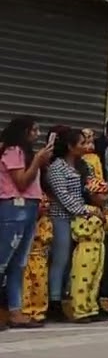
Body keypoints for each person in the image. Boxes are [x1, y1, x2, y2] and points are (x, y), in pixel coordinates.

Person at [0, 116, 51, 330]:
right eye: (34, 130)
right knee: (3, 261)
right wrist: (38, 161)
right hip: (14, 208)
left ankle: (15, 311)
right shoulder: (13, 151)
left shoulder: (25, 153)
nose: (37, 134)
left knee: (18, 264)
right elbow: (20, 182)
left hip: (29, 209)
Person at [42, 126, 96, 322]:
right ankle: (54, 301)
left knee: (77, 261)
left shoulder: (83, 166)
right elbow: (62, 196)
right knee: (60, 260)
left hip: (80, 220)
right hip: (61, 217)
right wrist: (85, 210)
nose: (86, 146)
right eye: (81, 143)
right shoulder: (57, 168)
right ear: (69, 146)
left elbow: (91, 187)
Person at [68, 176, 108, 323]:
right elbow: (78, 232)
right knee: (83, 279)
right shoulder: (85, 211)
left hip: (99, 248)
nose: (107, 197)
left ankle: (92, 308)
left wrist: (107, 218)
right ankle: (80, 311)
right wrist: (96, 219)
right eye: (103, 193)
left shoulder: (103, 210)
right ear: (93, 195)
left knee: (95, 280)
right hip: (85, 248)